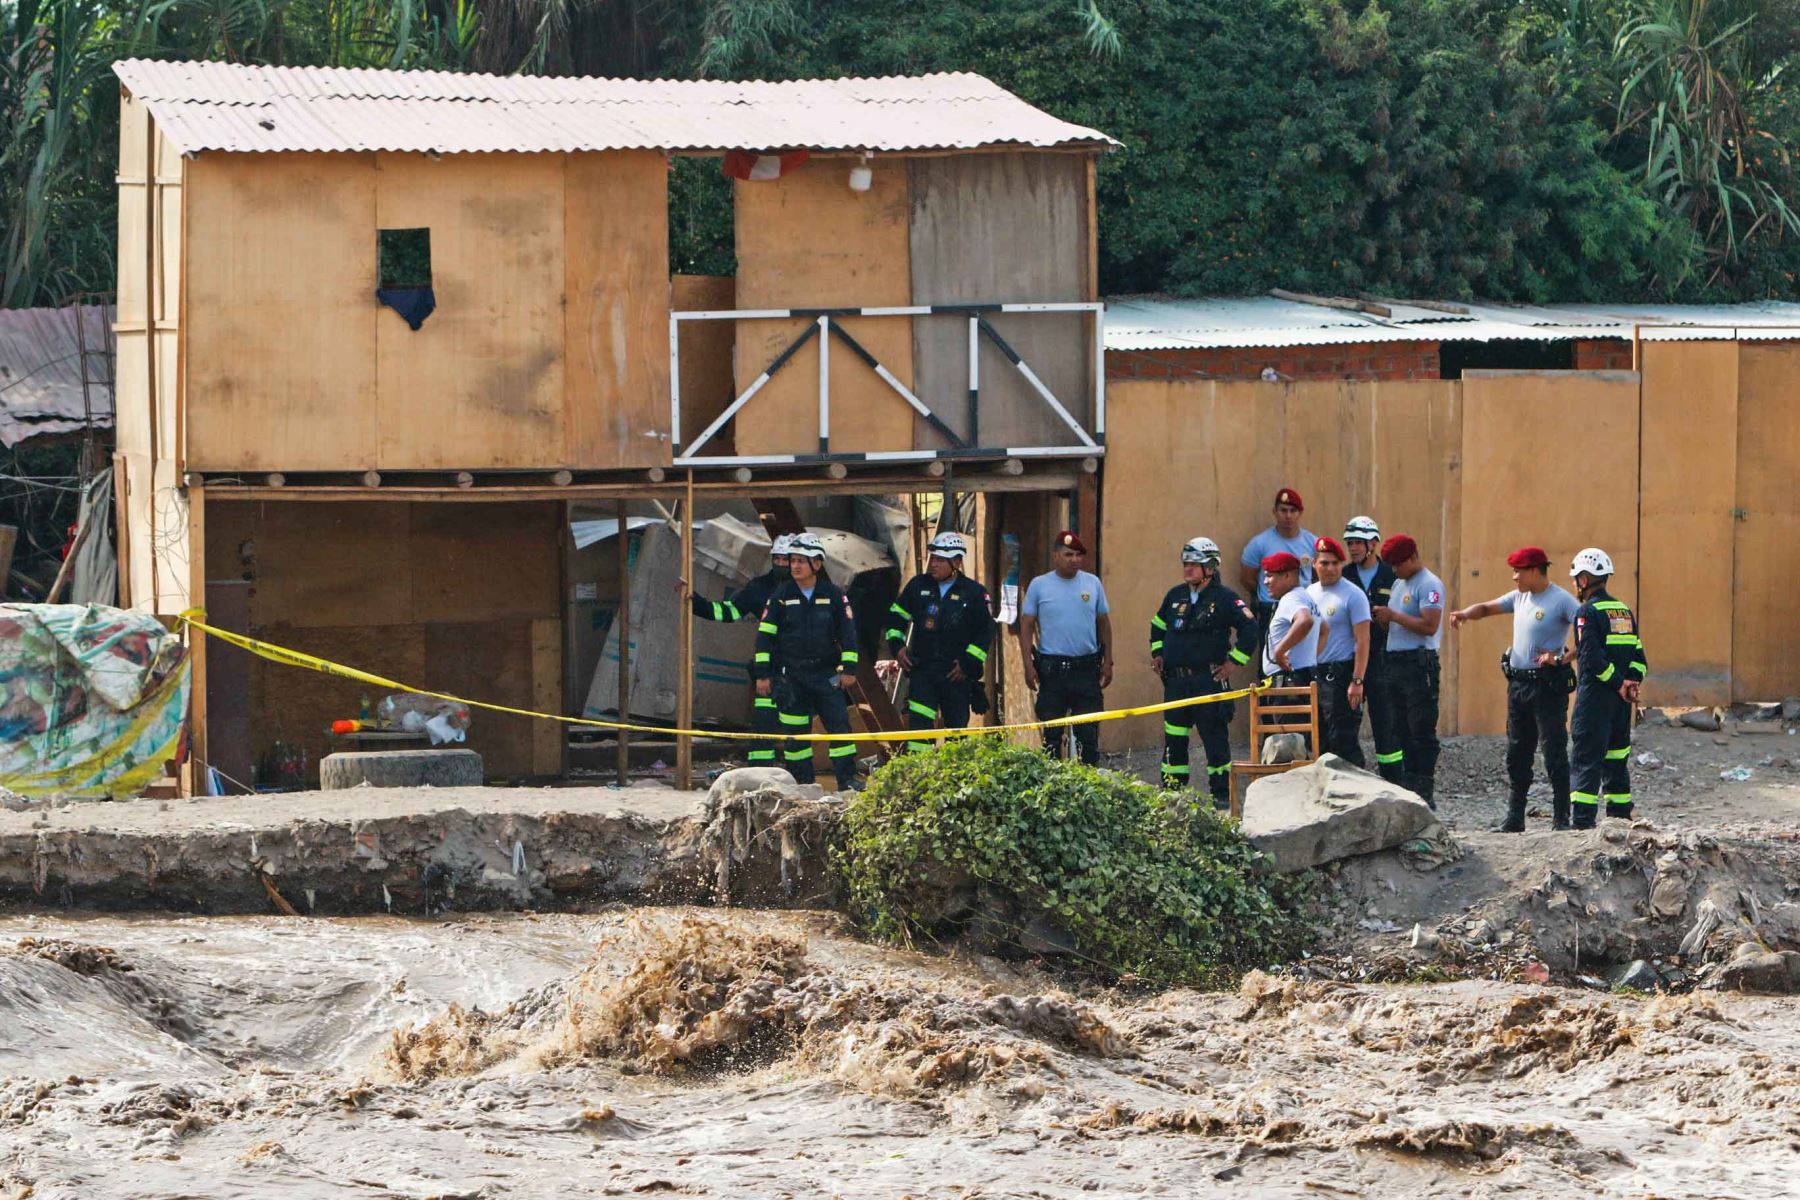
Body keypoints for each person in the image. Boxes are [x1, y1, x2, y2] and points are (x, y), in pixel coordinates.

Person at [1448, 546, 1581, 832]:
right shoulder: (1521, 597)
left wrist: (1560, 658)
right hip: (1519, 685)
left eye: (1518, 571)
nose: (1514, 577)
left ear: (1535, 570)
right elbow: (1487, 608)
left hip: (1546, 686)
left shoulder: (1561, 601)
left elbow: (1587, 633)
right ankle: (1514, 818)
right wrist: (1465, 614)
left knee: (1553, 750)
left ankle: (1561, 819)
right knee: (1517, 752)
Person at [1150, 536, 1259, 807]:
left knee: (1215, 740)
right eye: (1186, 563)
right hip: (1176, 683)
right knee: (1174, 738)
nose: (1187, 568)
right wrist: (1157, 653)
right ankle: (1173, 795)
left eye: (1194, 564)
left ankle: (1222, 797)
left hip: (1208, 681)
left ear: (1209, 568)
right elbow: (1157, 624)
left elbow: (1250, 630)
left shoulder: (1224, 598)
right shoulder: (1175, 595)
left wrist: (1233, 662)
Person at [752, 533, 862, 791]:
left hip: (826, 675)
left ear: (817, 564)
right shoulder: (781, 595)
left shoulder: (834, 595)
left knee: (840, 727)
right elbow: (764, 638)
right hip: (792, 677)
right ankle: (803, 783)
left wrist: (850, 669)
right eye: (792, 561)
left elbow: (848, 634)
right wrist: (763, 674)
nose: (795, 566)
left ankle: (847, 780)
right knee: (795, 735)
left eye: (802, 560)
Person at [679, 533, 794, 766]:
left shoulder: (813, 589)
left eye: (787, 560)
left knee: (799, 726)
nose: (781, 564)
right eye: (778, 559)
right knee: (764, 723)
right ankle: (761, 771)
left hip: (803, 667)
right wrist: (697, 602)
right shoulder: (760, 587)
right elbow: (729, 612)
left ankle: (802, 773)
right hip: (769, 669)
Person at [885, 531, 995, 752]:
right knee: (920, 732)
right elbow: (895, 617)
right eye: (932, 558)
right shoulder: (917, 586)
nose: (932, 564)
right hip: (922, 671)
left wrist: (967, 664)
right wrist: (897, 648)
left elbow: (985, 631)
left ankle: (953, 780)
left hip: (955, 675)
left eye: (939, 560)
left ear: (956, 562)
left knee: (956, 734)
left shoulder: (973, 593)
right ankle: (920, 776)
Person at [1568, 548, 1649, 828]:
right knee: (1616, 759)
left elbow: (1590, 659)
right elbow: (1639, 658)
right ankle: (1619, 821)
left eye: (1576, 578)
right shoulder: (1624, 611)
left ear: (1585, 578)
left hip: (1595, 701)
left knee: (1586, 759)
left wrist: (1617, 683)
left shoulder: (1587, 612)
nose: (1575, 583)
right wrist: (1630, 684)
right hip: (1621, 705)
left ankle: (1582, 825)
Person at [1020, 531, 1112, 765]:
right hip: (1052, 672)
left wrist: (1108, 661)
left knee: (1088, 737)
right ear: (1055, 556)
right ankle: (1053, 791)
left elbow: (1104, 623)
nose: (1074, 560)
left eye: (1078, 555)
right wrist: (1028, 665)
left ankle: (1089, 787)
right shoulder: (1039, 585)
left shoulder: (1092, 583)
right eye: (1068, 554)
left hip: (1086, 670)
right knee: (1051, 737)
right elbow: (1027, 625)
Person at [1373, 534, 1445, 806]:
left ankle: (1423, 785)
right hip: (1395, 663)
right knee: (1399, 727)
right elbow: (1398, 624)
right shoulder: (1399, 583)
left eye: (1398, 564)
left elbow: (1429, 625)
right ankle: (1408, 784)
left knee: (1421, 728)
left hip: (1418, 664)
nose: (1394, 569)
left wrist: (1394, 616)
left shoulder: (1429, 584)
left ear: (1413, 557)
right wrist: (1384, 619)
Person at [1344, 516, 1405, 784]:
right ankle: (1352, 783)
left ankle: (1393, 783)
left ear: (1373, 544)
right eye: (1349, 543)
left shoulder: (1392, 575)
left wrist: (1390, 616)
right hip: (1351, 659)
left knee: (1387, 725)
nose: (1353, 548)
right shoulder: (1344, 575)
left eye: (1358, 542)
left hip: (1384, 661)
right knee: (1346, 724)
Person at [1306, 537, 1371, 766]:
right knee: (1318, 740)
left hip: (1341, 674)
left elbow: (1363, 640)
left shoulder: (1353, 594)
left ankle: (1355, 794)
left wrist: (1357, 680)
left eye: (1336, 563)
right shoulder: (1309, 593)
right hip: (1315, 674)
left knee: (1343, 740)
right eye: (1325, 563)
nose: (1331, 568)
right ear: (1314, 563)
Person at [1240, 488, 1318, 636]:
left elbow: (1317, 577)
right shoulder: (1259, 543)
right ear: (1274, 512)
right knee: (1270, 654)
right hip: (1271, 608)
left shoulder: (1312, 542)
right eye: (1283, 510)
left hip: (1303, 607)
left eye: (1292, 510)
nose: (1288, 516)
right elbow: (1246, 577)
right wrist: (1272, 591)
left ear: (1300, 513)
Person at [1259, 552, 1318, 685]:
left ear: (1287, 575)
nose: (1265, 582)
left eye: (1270, 576)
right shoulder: (1306, 597)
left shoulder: (1291, 598)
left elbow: (1305, 621)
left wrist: (1280, 651)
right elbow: (1324, 629)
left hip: (1288, 681)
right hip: (1302, 676)